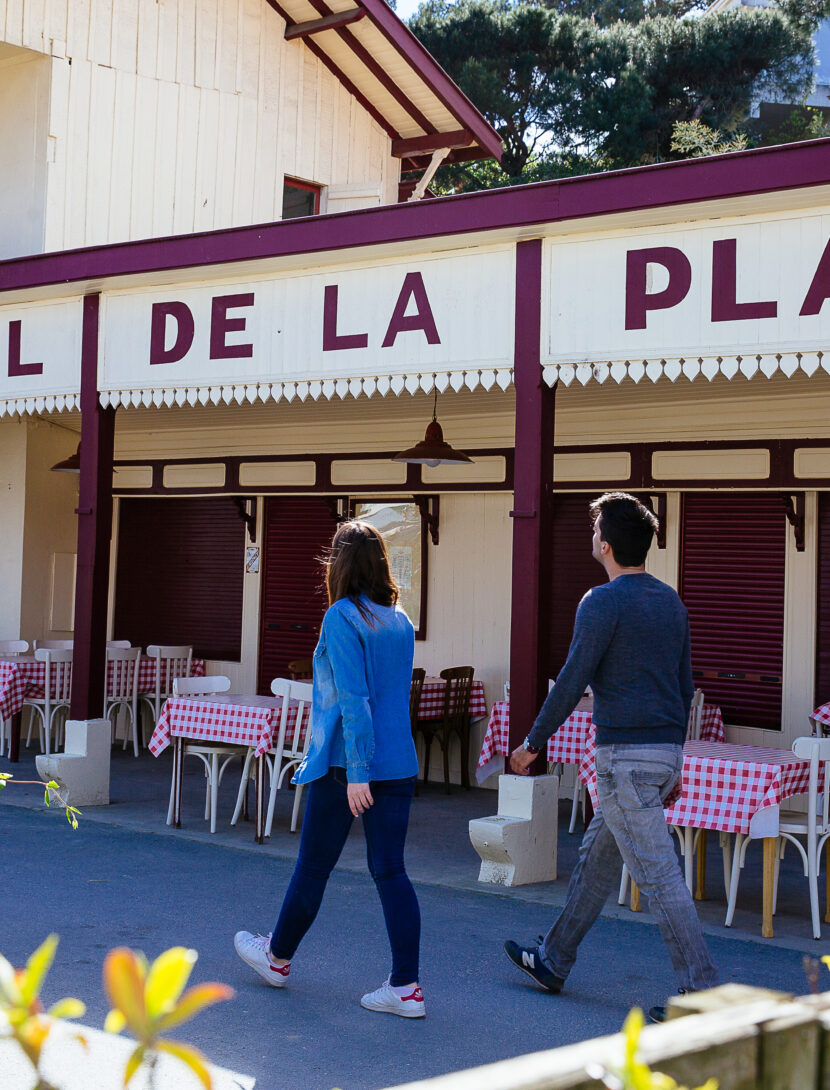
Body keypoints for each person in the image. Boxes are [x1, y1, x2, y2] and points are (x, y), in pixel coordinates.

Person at [504, 491, 717, 1021]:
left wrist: (533, 744)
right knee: (597, 863)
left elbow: (573, 679)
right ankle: (552, 960)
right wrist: (677, 759)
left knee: (662, 880)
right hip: (661, 754)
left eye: (594, 527)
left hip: (622, 760)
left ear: (605, 543)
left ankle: (704, 995)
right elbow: (684, 685)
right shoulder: (672, 601)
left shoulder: (600, 602)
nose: (591, 535)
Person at [234, 520, 425, 1018]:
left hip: (348, 766)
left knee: (314, 867)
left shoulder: (343, 617)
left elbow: (354, 699)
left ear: (339, 567)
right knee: (391, 872)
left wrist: (358, 770)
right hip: (399, 762)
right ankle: (406, 987)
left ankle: (277, 958)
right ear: (382, 564)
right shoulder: (400, 620)